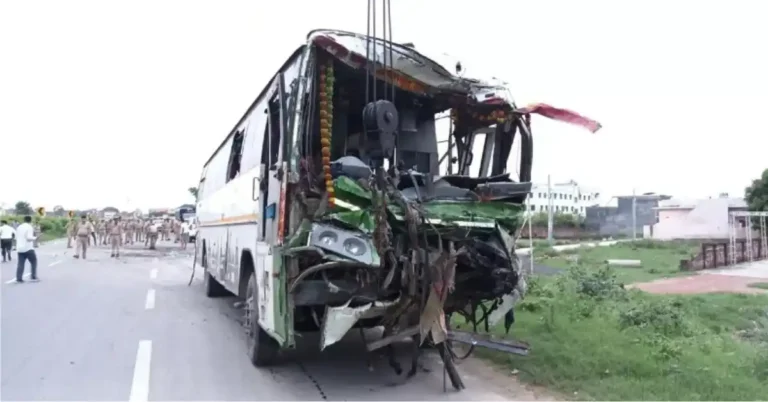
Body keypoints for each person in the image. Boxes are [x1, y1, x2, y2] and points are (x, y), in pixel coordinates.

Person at [14, 216, 39, 283]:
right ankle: (33, 276)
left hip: (19, 248)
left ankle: (19, 278)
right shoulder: (29, 227)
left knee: (20, 264)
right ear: (30, 220)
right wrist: (35, 238)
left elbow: (16, 238)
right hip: (28, 248)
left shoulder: (19, 227)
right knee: (34, 262)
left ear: (24, 220)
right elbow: (28, 238)